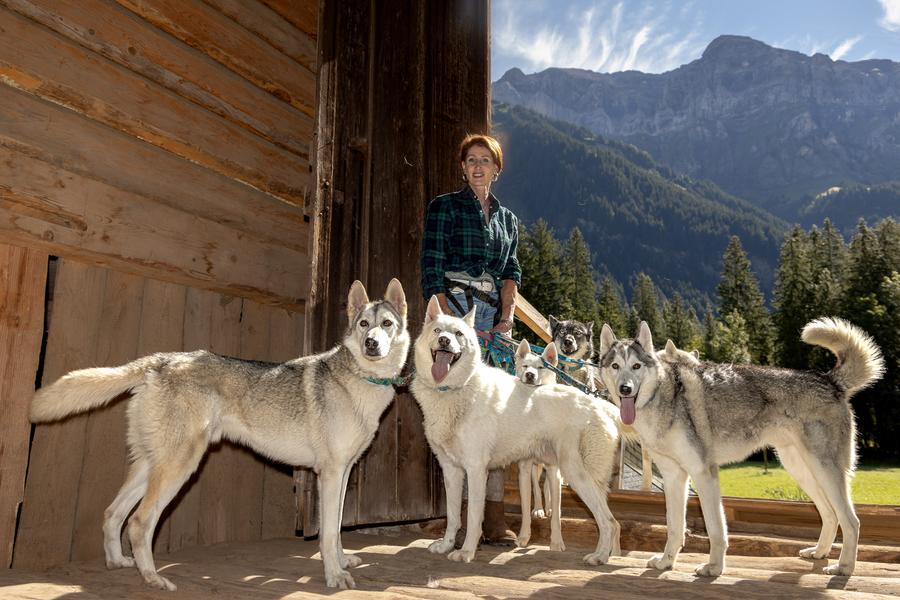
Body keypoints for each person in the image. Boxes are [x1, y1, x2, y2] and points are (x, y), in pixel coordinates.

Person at [421, 134, 521, 544]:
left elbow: (511, 270)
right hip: (455, 312)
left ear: (497, 169)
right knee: (453, 415)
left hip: (491, 319)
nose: (478, 167)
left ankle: (492, 521)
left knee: (492, 417)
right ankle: (458, 522)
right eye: (471, 160)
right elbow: (432, 264)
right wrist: (446, 322)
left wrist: (507, 318)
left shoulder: (507, 219)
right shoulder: (444, 206)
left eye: (486, 161)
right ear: (463, 168)